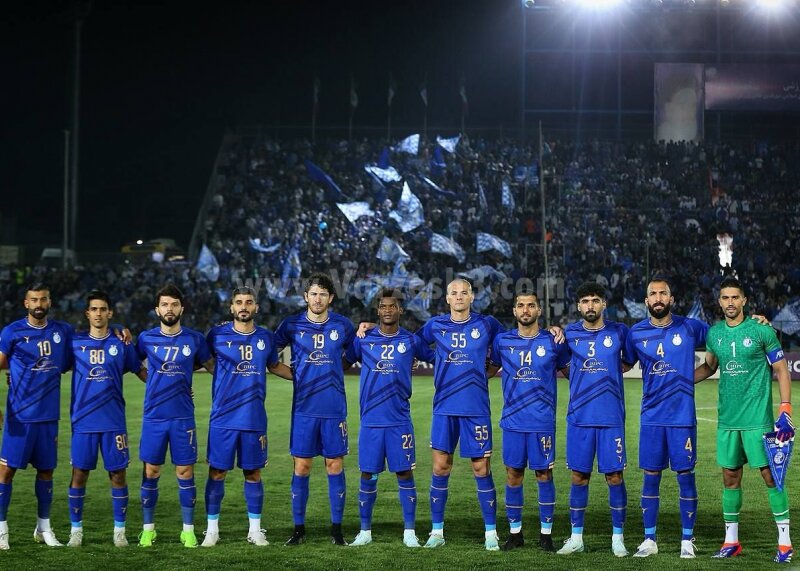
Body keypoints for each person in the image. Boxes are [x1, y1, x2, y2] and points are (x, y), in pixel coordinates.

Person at [695, 276, 794, 563]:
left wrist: (785, 408)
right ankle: (731, 542)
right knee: (730, 477)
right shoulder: (715, 334)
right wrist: (680, 381)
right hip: (728, 420)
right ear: (719, 301)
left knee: (771, 477)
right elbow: (709, 366)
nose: (730, 302)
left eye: (735, 297)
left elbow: (781, 369)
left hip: (757, 419)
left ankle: (785, 544)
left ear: (744, 300)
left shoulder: (761, 330)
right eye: (725, 298)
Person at [415, 278, 504, 551]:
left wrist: (488, 370)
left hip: (476, 408)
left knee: (481, 468)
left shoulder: (487, 324)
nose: (459, 296)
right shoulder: (435, 325)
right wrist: (434, 359)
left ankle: (491, 533)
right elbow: (414, 342)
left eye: (464, 292)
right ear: (447, 298)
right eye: (454, 293)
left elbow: (508, 344)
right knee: (440, 467)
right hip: (444, 407)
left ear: (472, 297)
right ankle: (437, 532)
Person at [200, 286, 292, 547]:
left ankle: (255, 530)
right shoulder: (216, 335)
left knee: (253, 473)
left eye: (248, 302)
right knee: (217, 472)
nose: (243, 306)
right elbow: (201, 361)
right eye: (239, 302)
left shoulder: (266, 337)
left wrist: (306, 377)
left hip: (253, 418)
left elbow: (275, 366)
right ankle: (212, 531)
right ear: (231, 307)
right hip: (223, 418)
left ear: (256, 307)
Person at [344, 288, 434, 548]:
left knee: (404, 474)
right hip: (371, 421)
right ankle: (365, 531)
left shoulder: (411, 341)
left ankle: (409, 532)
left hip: (399, 421)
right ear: (377, 310)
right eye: (383, 306)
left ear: (400, 310)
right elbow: (342, 363)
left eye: (392, 306)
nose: (387, 310)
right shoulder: (363, 339)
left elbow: (438, 358)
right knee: (368, 474)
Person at [625, 278, 708, 559]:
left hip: (681, 418)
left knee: (685, 476)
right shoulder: (636, 333)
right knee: (651, 476)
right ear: (646, 301)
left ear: (671, 299)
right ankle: (649, 539)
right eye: (653, 294)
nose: (658, 298)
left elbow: (722, 339)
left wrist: (690, 377)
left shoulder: (690, 327)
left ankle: (687, 540)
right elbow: (622, 362)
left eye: (663, 293)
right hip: (651, 417)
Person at [275, 273, 355, 546]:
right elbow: (270, 358)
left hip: (333, 408)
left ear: (330, 298)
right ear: (305, 297)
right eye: (313, 294)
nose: (318, 299)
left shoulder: (343, 325)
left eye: (323, 294)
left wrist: (335, 371)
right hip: (304, 409)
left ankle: (337, 530)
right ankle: (298, 530)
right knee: (302, 466)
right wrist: (295, 376)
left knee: (334, 465)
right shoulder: (291, 324)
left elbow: (355, 353)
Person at [487, 289, 570, 552]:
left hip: (542, 421)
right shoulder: (502, 341)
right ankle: (515, 533)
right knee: (513, 475)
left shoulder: (553, 341)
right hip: (512, 421)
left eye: (531, 305)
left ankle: (546, 534)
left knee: (544, 475)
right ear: (514, 311)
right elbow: (488, 369)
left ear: (539, 310)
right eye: (521, 306)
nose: (526, 310)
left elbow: (573, 373)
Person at [557, 281, 635, 557]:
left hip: (611, 417)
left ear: (604, 304)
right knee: (579, 476)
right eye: (585, 301)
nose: (590, 305)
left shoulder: (619, 331)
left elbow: (629, 361)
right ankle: (576, 537)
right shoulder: (569, 333)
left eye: (595, 300)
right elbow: (562, 363)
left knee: (614, 476)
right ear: (579, 306)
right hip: (580, 417)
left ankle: (618, 538)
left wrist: (607, 375)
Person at [66, 290, 148, 548]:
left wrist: (169, 385)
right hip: (84, 421)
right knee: (79, 475)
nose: (98, 313)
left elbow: (140, 371)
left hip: (113, 421)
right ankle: (76, 531)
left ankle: (119, 531)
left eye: (103, 309)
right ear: (87, 313)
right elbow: (50, 365)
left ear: (110, 313)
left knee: (118, 475)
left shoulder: (121, 343)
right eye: (94, 309)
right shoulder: (74, 343)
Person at [135, 284, 214, 548]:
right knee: (151, 470)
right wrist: (153, 382)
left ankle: (188, 530)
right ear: (157, 309)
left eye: (174, 304)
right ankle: (148, 530)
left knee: (185, 470)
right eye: (165, 304)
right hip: (154, 417)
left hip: (182, 417)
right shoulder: (145, 338)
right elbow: (133, 363)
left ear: (182, 308)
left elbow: (211, 366)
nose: (169, 309)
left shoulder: (194, 339)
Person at [0, 283, 75, 549]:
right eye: (34, 300)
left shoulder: (62, 331)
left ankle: (43, 528)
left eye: (43, 299)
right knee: (6, 471)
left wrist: (119, 328)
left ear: (49, 302)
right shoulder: (12, 332)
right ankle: (1, 529)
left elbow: (92, 337)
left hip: (48, 416)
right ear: (26, 303)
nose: (39, 304)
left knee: (46, 471)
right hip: (19, 417)